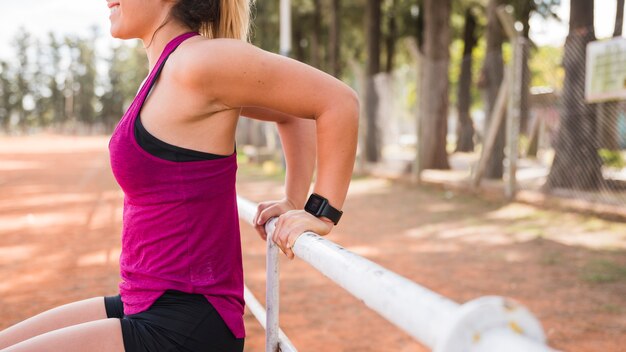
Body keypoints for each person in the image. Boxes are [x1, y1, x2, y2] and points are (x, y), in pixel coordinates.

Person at [0, 0, 358, 350]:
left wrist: (317, 211)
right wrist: (290, 198)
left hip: (183, 325)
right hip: (145, 301)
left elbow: (337, 101)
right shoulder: (166, 71)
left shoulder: (199, 61)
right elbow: (290, 113)